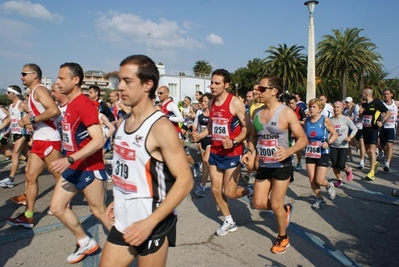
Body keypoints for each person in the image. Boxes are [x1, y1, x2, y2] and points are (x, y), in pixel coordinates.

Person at [99, 55, 193, 267]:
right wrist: (118, 198)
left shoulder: (161, 128)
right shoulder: (123, 123)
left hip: (153, 222)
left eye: (127, 81)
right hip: (124, 221)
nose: (120, 87)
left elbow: (185, 181)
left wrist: (149, 222)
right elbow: (132, 171)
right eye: (119, 81)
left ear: (148, 85)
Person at [47, 62, 112, 264]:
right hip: (73, 167)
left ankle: (132, 244)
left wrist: (70, 158)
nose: (57, 82)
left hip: (89, 168)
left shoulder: (83, 104)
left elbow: (98, 140)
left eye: (61, 78)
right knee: (57, 208)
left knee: (99, 212)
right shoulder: (69, 105)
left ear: (75, 80)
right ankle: (84, 241)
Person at [242, 74, 308, 254]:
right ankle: (285, 210)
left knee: (276, 204)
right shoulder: (255, 112)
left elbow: (303, 139)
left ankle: (282, 237)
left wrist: (289, 151)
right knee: (258, 203)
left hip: (281, 165)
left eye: (262, 89)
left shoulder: (285, 112)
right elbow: (253, 137)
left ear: (274, 91)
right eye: (257, 89)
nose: (258, 92)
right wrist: (250, 151)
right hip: (264, 165)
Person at [192, 69, 251, 237]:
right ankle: (228, 220)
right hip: (216, 151)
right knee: (216, 190)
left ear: (226, 85)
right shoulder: (210, 103)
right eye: (211, 82)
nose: (212, 86)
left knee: (229, 192)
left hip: (232, 152)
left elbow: (247, 127)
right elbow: (212, 127)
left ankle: (249, 191)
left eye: (217, 83)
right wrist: (200, 135)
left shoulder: (235, 103)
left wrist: (234, 141)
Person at [5, 64, 62, 229]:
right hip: (39, 140)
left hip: (49, 140)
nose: (21, 76)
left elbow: (54, 111)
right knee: (30, 176)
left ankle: (65, 203)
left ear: (34, 75)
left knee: (59, 176)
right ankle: (28, 216)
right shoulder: (32, 93)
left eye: (24, 73)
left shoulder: (40, 90)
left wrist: (30, 120)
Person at [304, 98, 338, 209]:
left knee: (319, 179)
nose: (311, 109)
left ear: (320, 109)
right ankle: (319, 199)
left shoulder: (325, 120)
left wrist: (328, 142)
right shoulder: (306, 121)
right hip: (310, 151)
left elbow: (334, 134)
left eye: (314, 107)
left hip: (322, 152)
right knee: (311, 179)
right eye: (310, 106)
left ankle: (329, 185)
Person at [0, 85, 30, 188]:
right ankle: (39, 163)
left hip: (23, 132)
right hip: (15, 133)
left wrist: (26, 120)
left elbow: (34, 112)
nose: (6, 94)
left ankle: (11, 179)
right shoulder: (10, 106)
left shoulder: (21, 104)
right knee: (28, 155)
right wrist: (8, 131)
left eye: (8, 92)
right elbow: (12, 120)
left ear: (14, 93)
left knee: (15, 154)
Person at [360, 88, 390, 180]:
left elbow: (388, 112)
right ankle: (375, 163)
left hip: (374, 129)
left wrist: (382, 121)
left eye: (363, 94)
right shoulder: (364, 104)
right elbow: (362, 117)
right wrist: (360, 113)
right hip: (365, 129)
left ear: (367, 94)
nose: (361, 95)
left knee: (372, 150)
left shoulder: (377, 103)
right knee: (367, 150)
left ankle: (371, 172)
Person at [330, 101, 357, 187]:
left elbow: (354, 129)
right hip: (333, 145)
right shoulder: (330, 120)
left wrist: (350, 137)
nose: (336, 109)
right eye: (334, 107)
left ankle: (348, 169)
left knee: (341, 165)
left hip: (343, 145)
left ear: (342, 109)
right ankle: (339, 180)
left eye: (338, 107)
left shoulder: (346, 119)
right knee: (334, 164)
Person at [192, 93, 212, 197]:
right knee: (208, 164)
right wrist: (195, 136)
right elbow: (195, 127)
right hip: (202, 140)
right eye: (202, 101)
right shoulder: (199, 113)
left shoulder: (214, 113)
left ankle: (202, 187)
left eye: (205, 101)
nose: (203, 103)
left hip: (212, 141)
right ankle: (214, 182)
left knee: (205, 162)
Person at [380, 88, 399, 172]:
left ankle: (387, 164)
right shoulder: (381, 103)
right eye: (384, 94)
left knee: (389, 145)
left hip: (391, 127)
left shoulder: (396, 103)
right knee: (381, 145)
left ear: (391, 94)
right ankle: (386, 154)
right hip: (382, 127)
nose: (386, 95)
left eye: (387, 94)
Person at [288, 95, 306, 171]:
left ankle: (299, 162)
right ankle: (290, 162)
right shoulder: (287, 111)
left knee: (298, 149)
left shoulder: (300, 110)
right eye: (290, 103)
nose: (291, 105)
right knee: (288, 147)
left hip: (298, 132)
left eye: (292, 103)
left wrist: (296, 122)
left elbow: (304, 122)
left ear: (296, 103)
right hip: (289, 132)